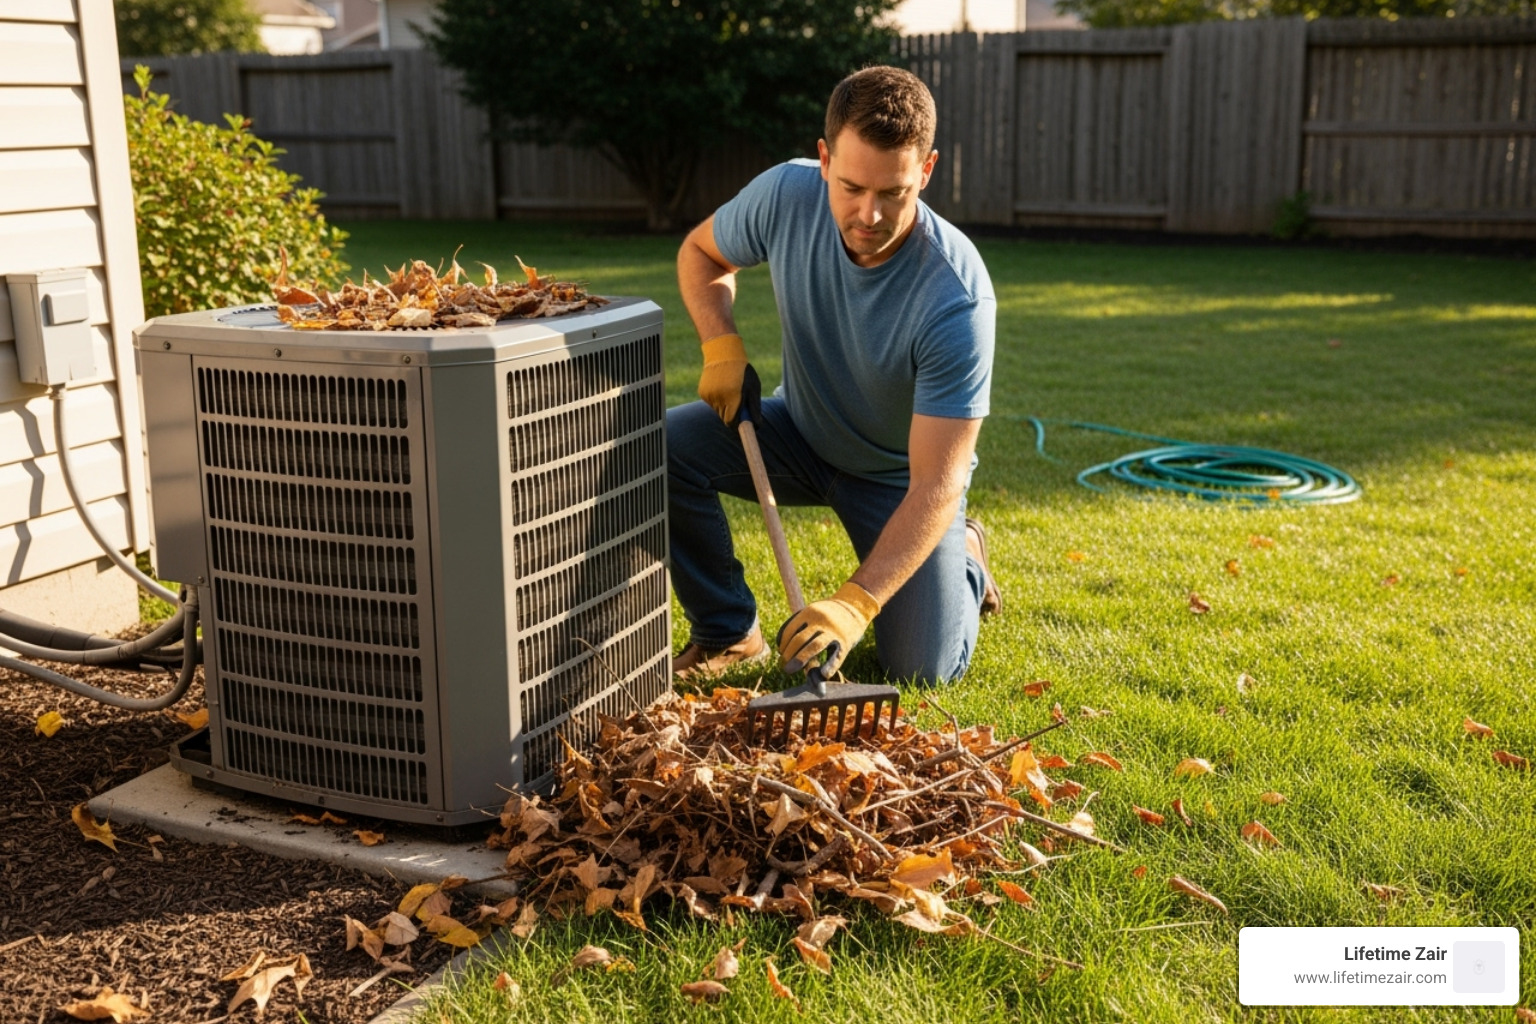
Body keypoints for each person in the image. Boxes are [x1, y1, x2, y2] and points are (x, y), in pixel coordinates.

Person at [667, 65, 1000, 686]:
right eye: (850, 187)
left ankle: (968, 559)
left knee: (924, 669)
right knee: (662, 448)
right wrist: (721, 344)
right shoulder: (785, 196)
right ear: (823, 159)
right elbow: (701, 253)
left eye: (894, 192)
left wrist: (855, 604)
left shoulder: (956, 298)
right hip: (800, 431)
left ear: (925, 172)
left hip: (898, 479)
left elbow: (937, 483)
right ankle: (727, 632)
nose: (868, 214)